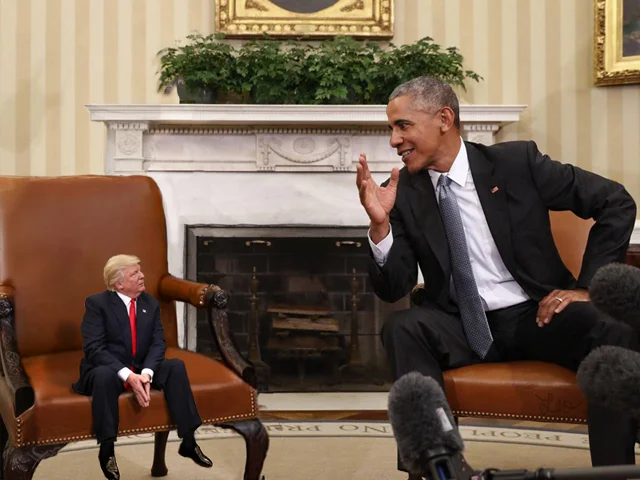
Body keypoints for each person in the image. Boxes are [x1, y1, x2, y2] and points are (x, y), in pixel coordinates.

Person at [356, 76, 638, 474]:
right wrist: (380, 227)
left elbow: (615, 202)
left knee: (613, 327)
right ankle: (439, 469)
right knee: (402, 327)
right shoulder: (399, 192)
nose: (393, 140)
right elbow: (394, 287)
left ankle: (614, 472)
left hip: (537, 314)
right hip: (459, 324)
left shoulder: (517, 164)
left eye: (402, 126)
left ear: (444, 119)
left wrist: (587, 288)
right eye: (391, 128)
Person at [72, 254, 213, 480]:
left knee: (175, 367)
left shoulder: (150, 303)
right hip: (108, 368)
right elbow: (94, 349)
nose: (142, 276)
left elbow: (158, 343)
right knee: (103, 376)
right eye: (134, 273)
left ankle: (188, 441)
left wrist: (146, 373)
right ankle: (107, 450)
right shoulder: (97, 304)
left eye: (140, 271)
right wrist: (128, 376)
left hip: (140, 366)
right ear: (119, 284)